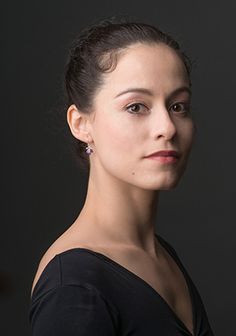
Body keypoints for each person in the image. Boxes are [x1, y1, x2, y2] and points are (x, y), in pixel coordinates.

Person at [29, 17, 214, 336]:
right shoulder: (74, 288)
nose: (167, 128)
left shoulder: (161, 255)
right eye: (136, 107)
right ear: (81, 124)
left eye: (178, 106)